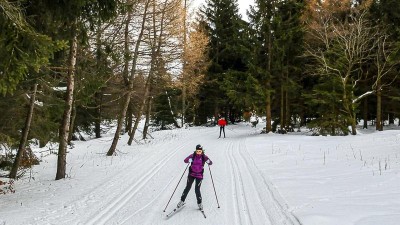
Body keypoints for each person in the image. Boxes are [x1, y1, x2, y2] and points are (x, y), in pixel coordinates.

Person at [177, 144, 212, 210]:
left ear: (202, 151)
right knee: (187, 187)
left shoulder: (204, 157)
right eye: (197, 151)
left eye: (200, 151)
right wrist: (188, 160)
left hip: (199, 175)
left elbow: (211, 163)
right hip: (191, 174)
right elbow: (185, 160)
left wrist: (208, 161)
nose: (198, 152)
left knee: (197, 189)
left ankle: (200, 203)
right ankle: (182, 201)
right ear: (195, 150)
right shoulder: (192, 156)